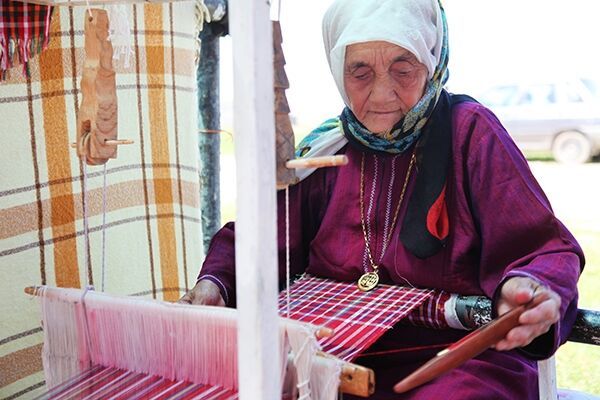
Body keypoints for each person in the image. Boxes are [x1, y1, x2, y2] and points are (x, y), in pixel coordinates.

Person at [180, 0, 584, 398]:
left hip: (457, 357)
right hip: (337, 355)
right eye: (361, 72)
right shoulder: (328, 148)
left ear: (432, 61)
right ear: (339, 71)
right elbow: (264, 236)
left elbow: (543, 248)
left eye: (402, 69)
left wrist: (531, 286)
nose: (382, 93)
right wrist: (218, 282)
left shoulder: (471, 134)